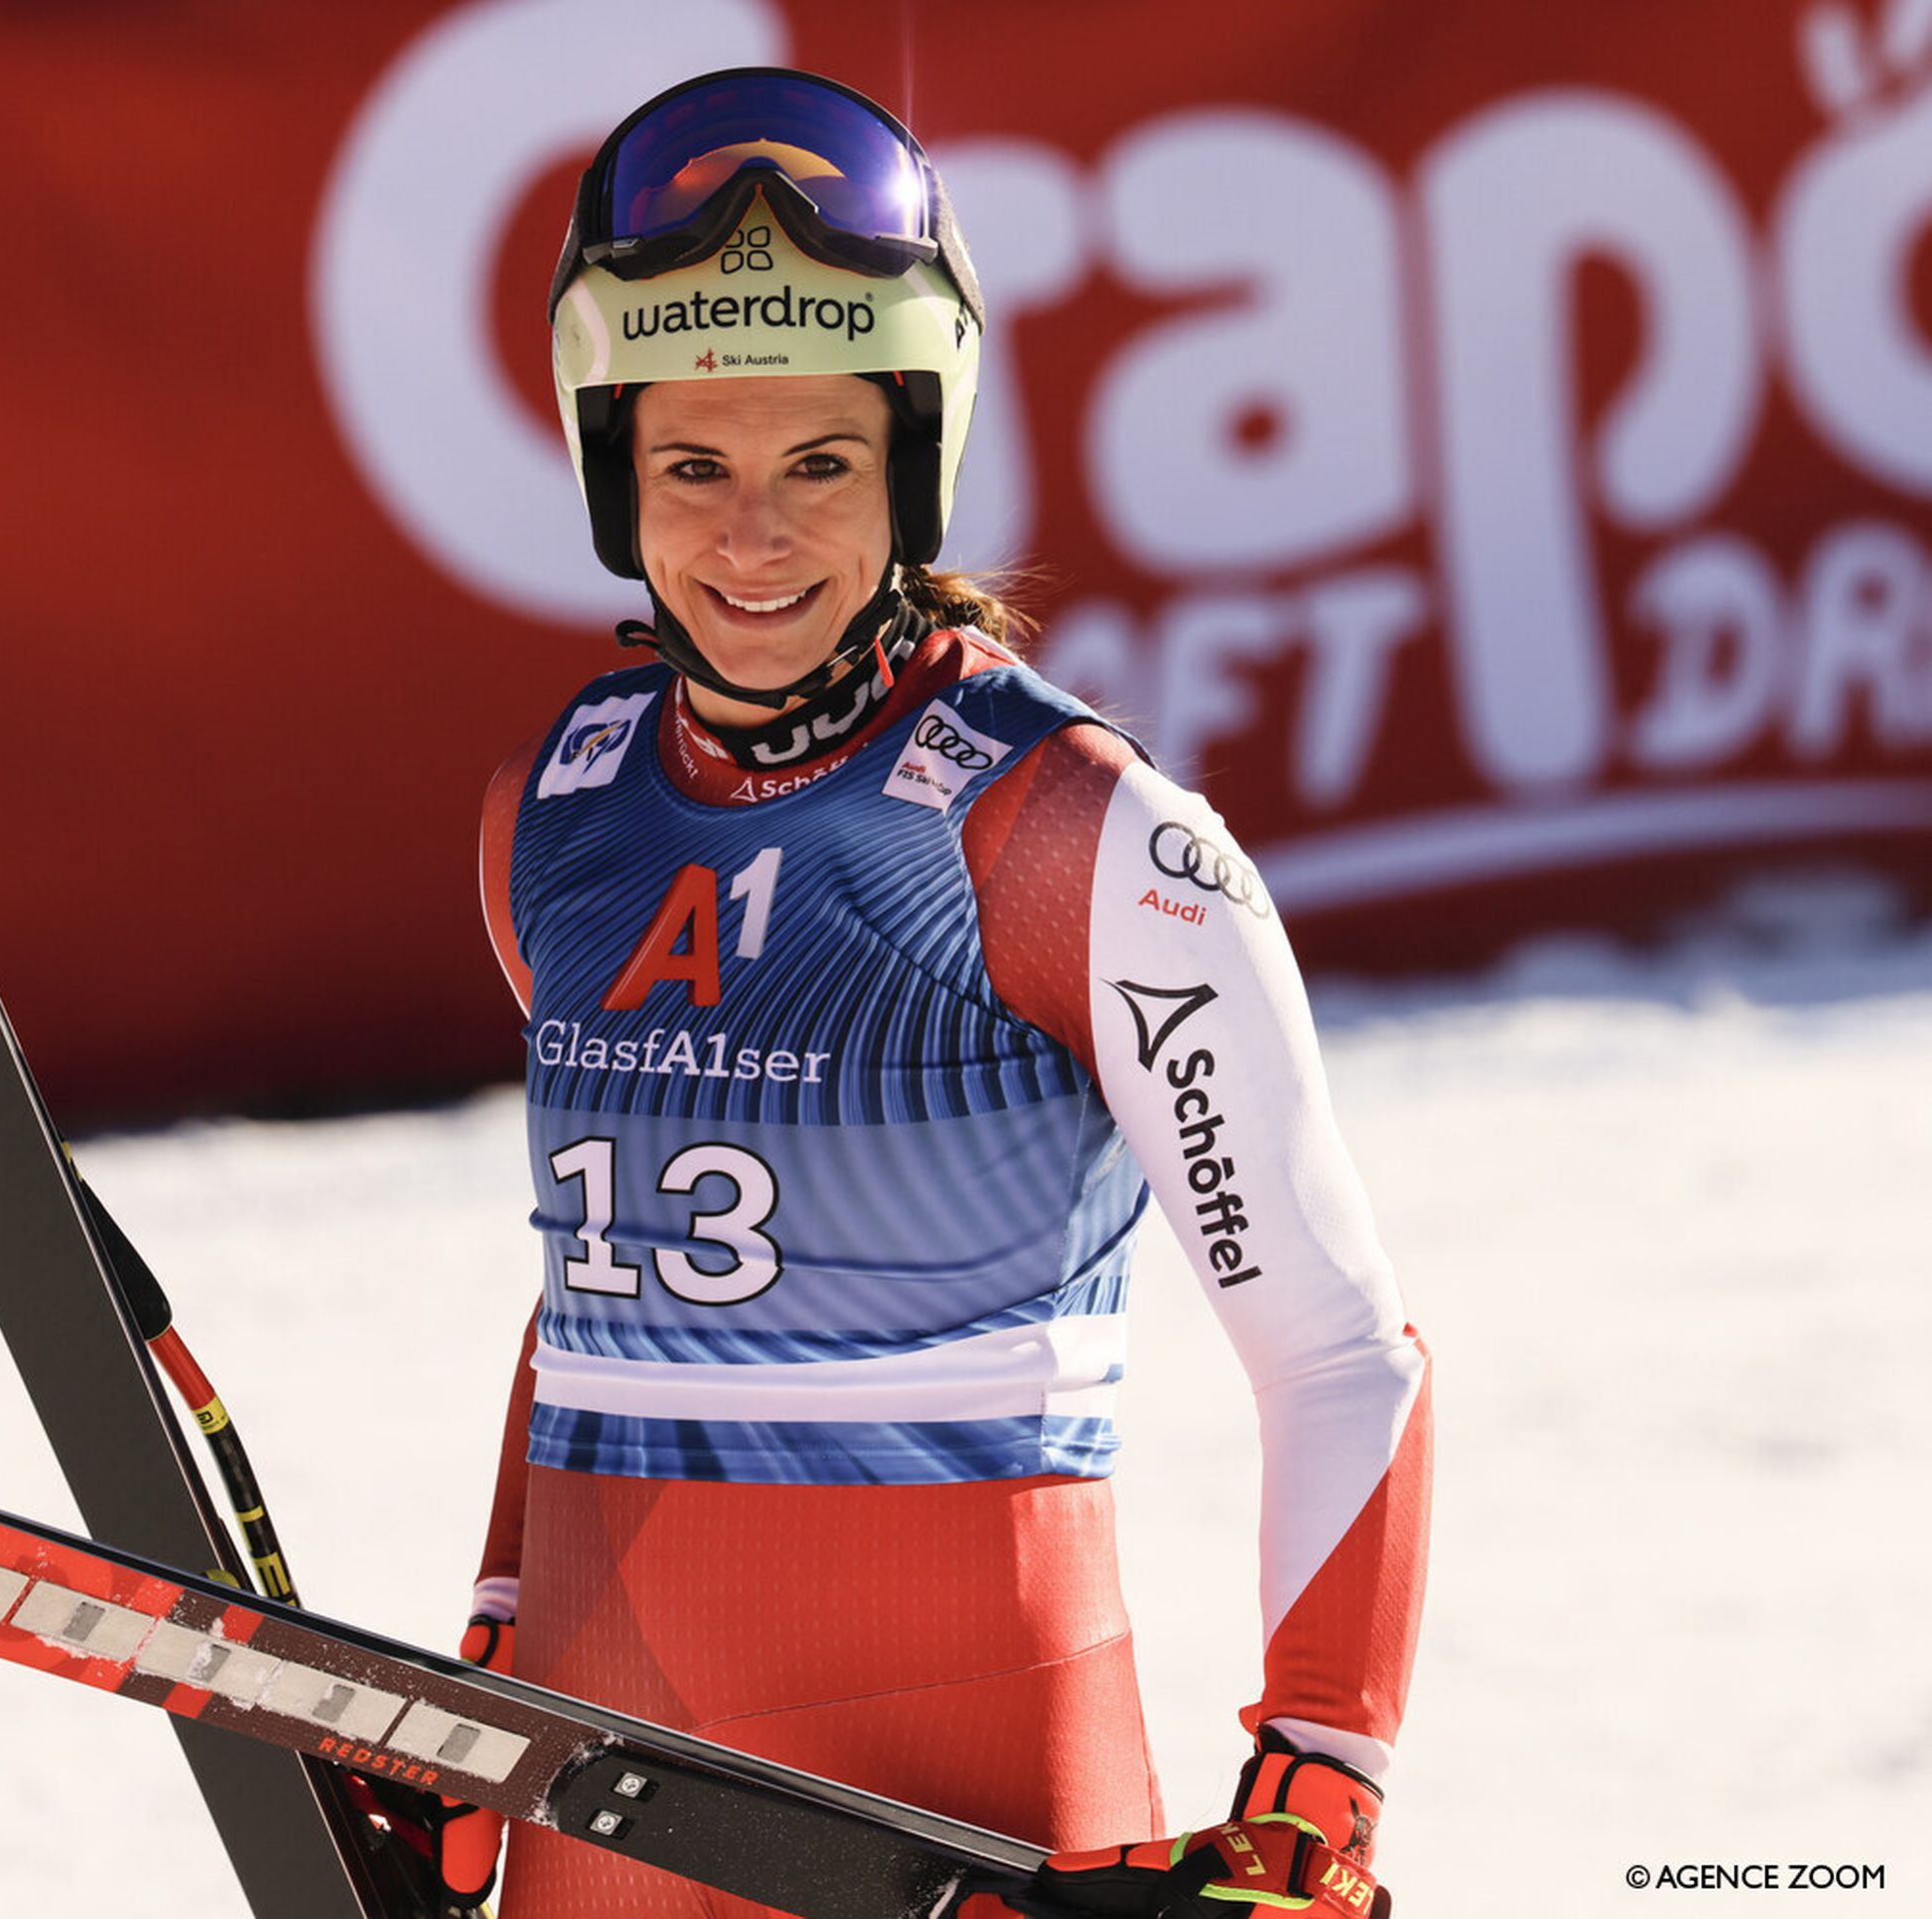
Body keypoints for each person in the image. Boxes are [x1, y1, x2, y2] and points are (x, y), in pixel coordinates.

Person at [444, 68, 1432, 1919]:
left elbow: (1336, 1354)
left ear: (912, 464)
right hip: (608, 1796)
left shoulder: (1082, 837)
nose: (753, 537)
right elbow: (591, 1301)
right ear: (609, 474)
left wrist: (1322, 1767)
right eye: (693, 467)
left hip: (982, 1797)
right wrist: (489, 1648)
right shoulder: (552, 816)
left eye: (820, 464)